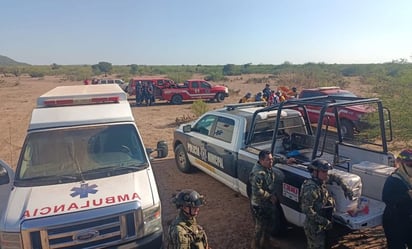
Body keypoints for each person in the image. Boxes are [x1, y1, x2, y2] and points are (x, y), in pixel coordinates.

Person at [249, 150, 295, 249]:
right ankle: (256, 245)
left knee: (270, 223)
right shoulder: (258, 173)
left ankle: (266, 242)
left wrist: (286, 161)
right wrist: (269, 196)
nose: (271, 162)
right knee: (260, 226)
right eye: (268, 160)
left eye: (271, 159)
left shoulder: (268, 165)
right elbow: (257, 191)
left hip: (268, 203)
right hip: (260, 204)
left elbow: (276, 160)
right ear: (261, 161)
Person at [300, 159, 336, 249]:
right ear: (315, 172)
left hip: (320, 225)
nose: (326, 173)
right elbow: (307, 210)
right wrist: (324, 221)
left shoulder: (320, 183)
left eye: (326, 171)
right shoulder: (311, 188)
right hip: (313, 227)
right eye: (324, 171)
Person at [382, 149, 412, 249]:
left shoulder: (409, 179)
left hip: (408, 220)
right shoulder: (393, 180)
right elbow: (386, 198)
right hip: (395, 222)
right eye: (410, 165)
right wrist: (407, 196)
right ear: (401, 164)